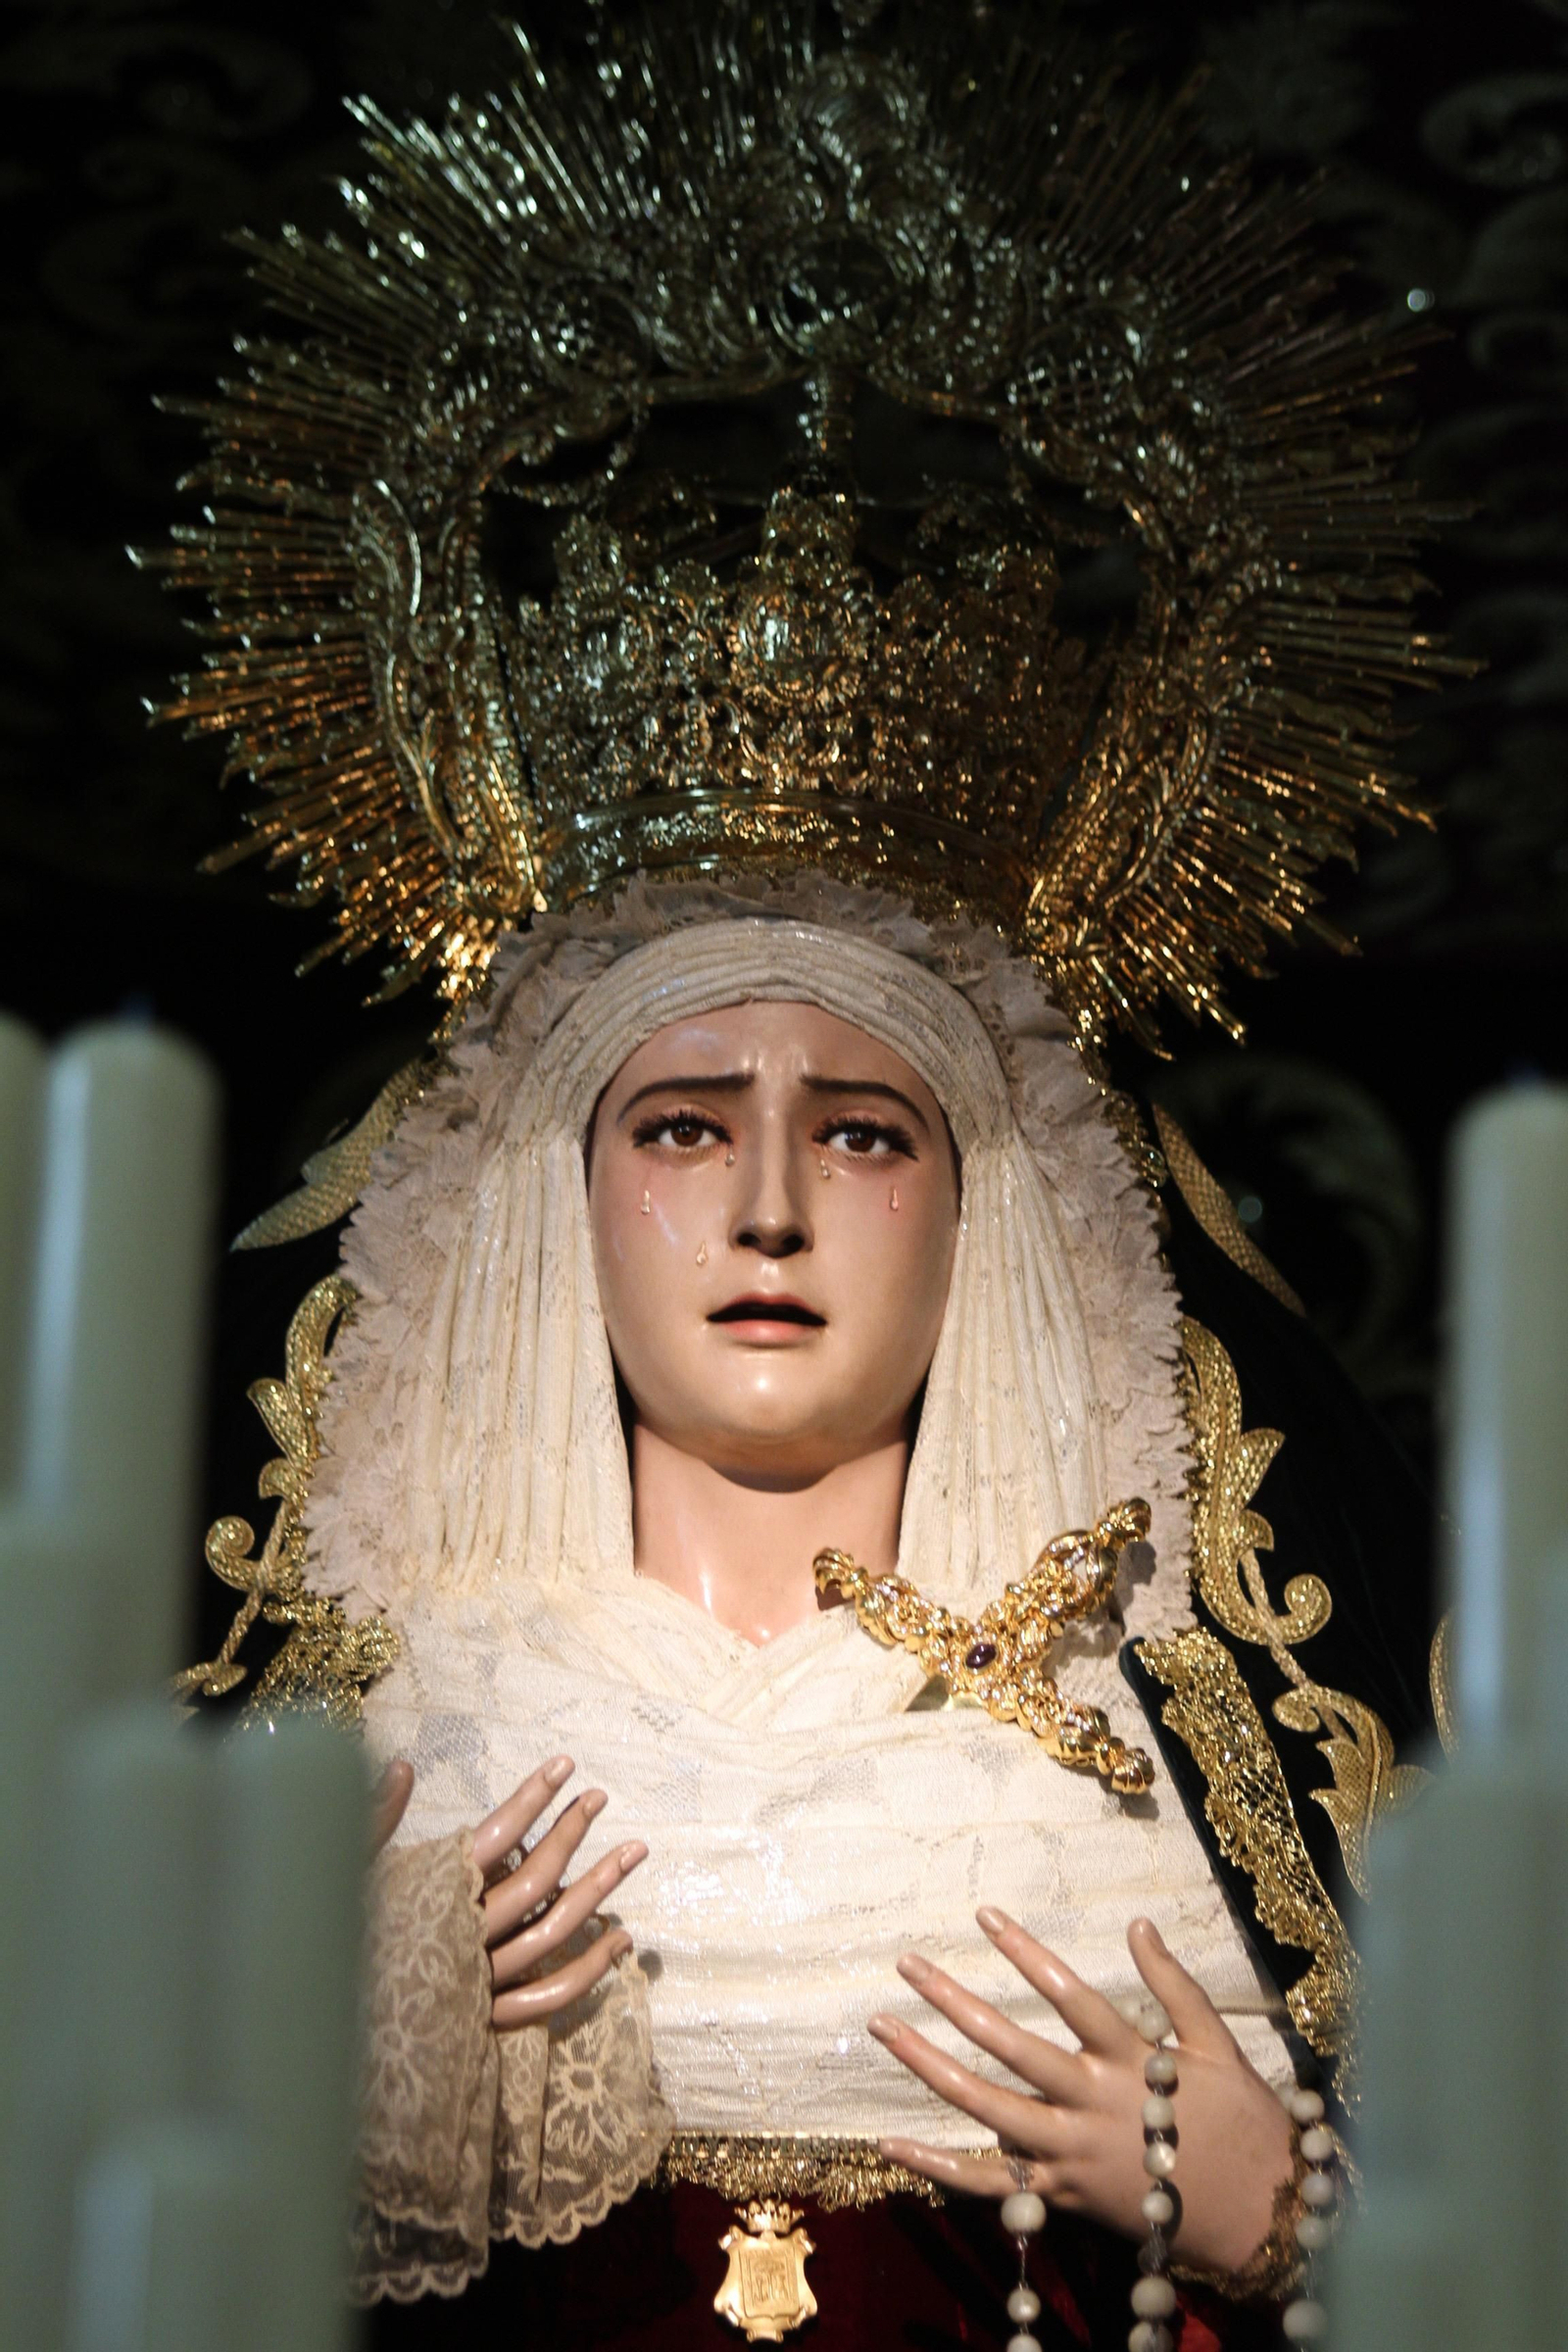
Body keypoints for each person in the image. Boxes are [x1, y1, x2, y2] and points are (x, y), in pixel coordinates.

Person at [162, 9, 1446, 2340]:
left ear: (996, 1219)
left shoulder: (1184, 1750)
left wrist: (1310, 2235)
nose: (766, 1204)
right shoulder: (358, 1741)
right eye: (679, 1124)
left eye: (859, 1130)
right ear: (550, 1202)